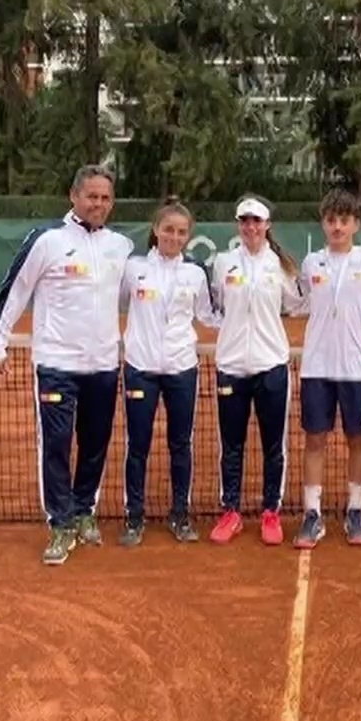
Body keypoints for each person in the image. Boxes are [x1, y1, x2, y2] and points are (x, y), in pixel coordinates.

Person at [0, 165, 134, 566]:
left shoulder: (120, 246)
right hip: (56, 364)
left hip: (103, 363)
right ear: (74, 196)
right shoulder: (46, 240)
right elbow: (14, 290)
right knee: (57, 443)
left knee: (96, 443)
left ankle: (84, 510)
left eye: (105, 198)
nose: (98, 204)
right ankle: (60, 522)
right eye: (91, 196)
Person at [119, 200, 218, 546]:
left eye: (181, 232)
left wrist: (245, 318)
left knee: (181, 444)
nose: (174, 237)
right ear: (155, 229)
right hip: (140, 369)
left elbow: (207, 315)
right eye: (168, 230)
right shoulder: (133, 269)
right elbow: (110, 302)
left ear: (188, 235)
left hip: (181, 368)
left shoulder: (195, 273)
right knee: (138, 445)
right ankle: (133, 517)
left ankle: (180, 514)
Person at [209, 194, 303, 545]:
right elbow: (217, 304)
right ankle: (230, 511)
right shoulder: (222, 263)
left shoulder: (280, 266)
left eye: (256, 221)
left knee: (272, 445)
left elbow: (297, 303)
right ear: (239, 225)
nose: (250, 227)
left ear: (267, 226)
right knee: (231, 445)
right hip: (231, 367)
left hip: (271, 366)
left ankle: (270, 512)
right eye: (244, 221)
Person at [293, 188, 361, 547]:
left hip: (356, 367)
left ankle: (355, 512)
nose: (337, 226)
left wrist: (360, 319)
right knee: (314, 440)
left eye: (344, 220)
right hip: (316, 365)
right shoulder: (312, 263)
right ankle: (312, 514)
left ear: (356, 224)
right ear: (323, 223)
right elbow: (301, 299)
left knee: (357, 440)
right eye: (331, 220)